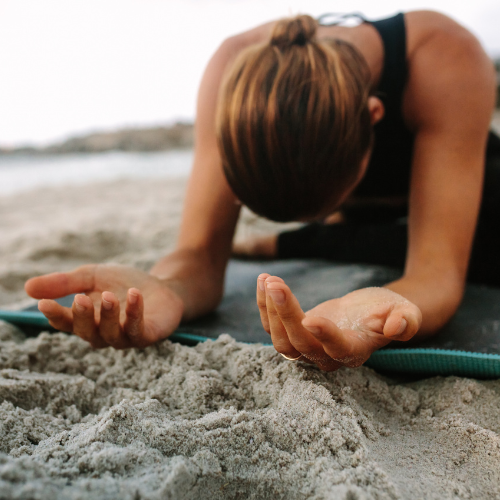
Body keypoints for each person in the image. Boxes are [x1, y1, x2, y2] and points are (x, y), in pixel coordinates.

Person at [24, 10, 498, 371]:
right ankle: (303, 238)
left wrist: (390, 306)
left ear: (376, 116)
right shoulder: (231, 70)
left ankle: (283, 242)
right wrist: (169, 288)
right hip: (359, 218)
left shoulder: (443, 56)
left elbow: (436, 273)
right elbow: (199, 255)